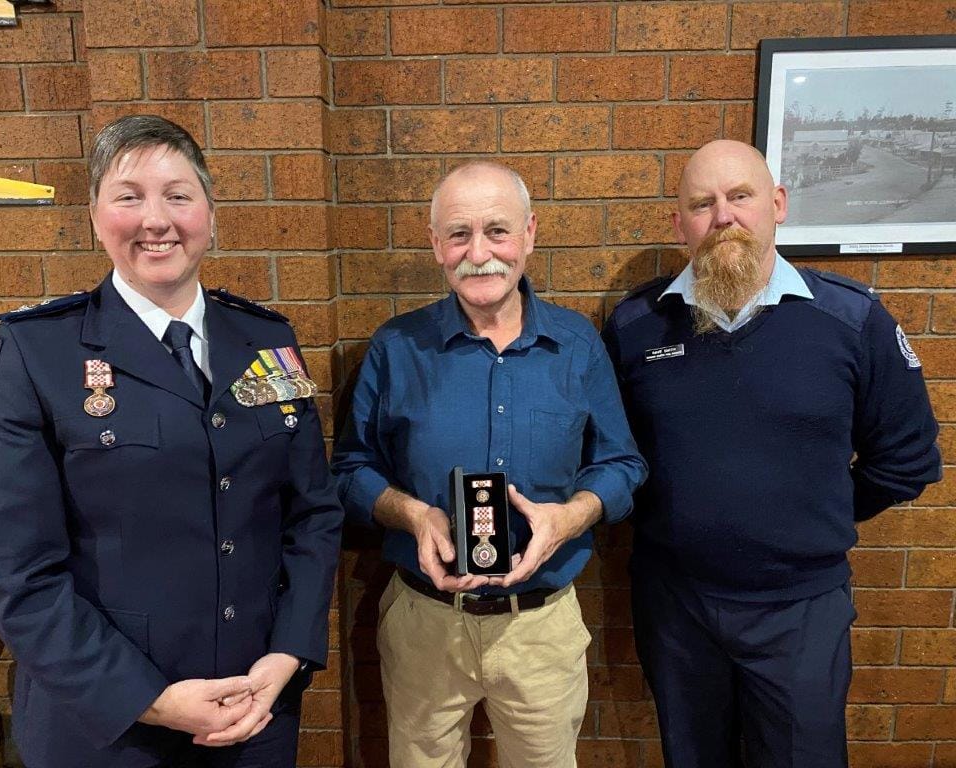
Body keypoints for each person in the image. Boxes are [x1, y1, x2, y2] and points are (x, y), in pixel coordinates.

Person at [0, 115, 343, 768]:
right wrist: (154, 700)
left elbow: (311, 513)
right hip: (104, 728)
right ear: (95, 214)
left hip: (252, 710)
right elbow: (17, 574)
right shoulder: (38, 354)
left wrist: (287, 656)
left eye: (177, 194)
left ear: (209, 210)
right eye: (129, 196)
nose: (155, 219)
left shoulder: (266, 344)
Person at [601, 139, 941, 768]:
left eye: (741, 196)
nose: (723, 216)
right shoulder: (635, 326)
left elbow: (908, 461)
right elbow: (614, 457)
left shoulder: (852, 320)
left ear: (778, 205)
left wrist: (811, 511)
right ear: (680, 226)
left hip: (801, 611)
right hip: (677, 608)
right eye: (702, 204)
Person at [332, 161, 647, 768]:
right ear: (434, 245)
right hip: (426, 621)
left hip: (541, 628)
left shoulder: (578, 345)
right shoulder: (397, 347)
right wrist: (413, 515)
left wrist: (571, 518)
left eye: (497, 231)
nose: (480, 253)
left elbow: (622, 464)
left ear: (529, 233)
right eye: (459, 234)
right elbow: (349, 469)